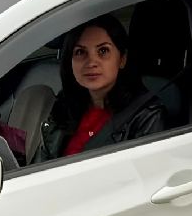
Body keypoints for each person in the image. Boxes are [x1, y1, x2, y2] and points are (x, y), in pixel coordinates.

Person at [37, 13, 166, 160]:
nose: (92, 62)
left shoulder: (146, 116)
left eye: (103, 51)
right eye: (80, 52)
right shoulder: (63, 107)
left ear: (122, 59)